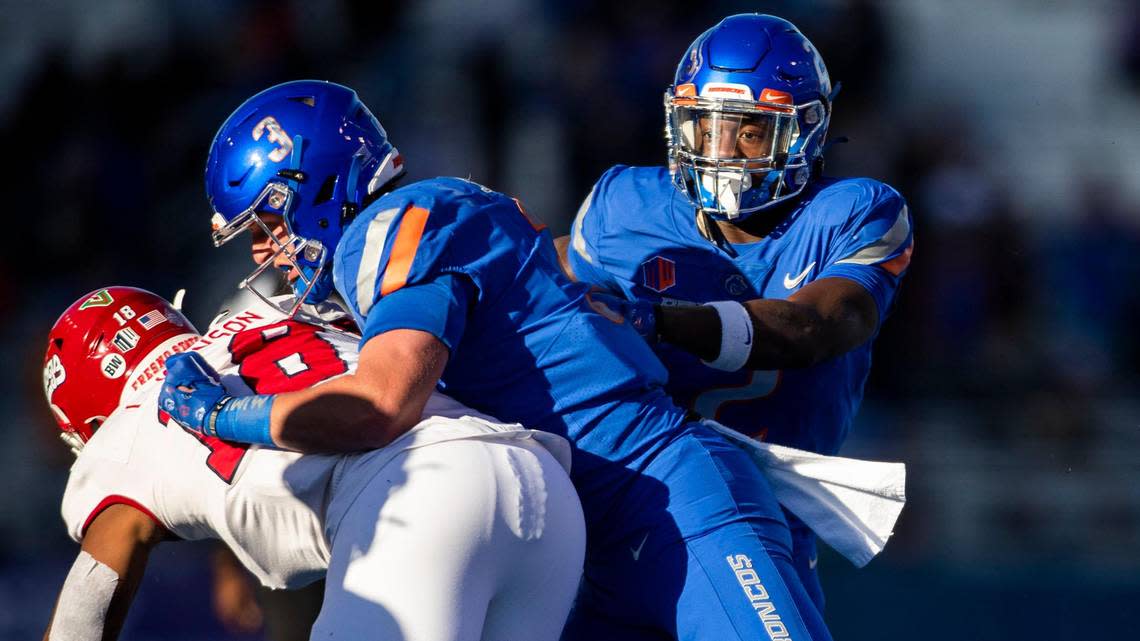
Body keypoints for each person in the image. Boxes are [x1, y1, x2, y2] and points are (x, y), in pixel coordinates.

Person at [162, 79, 842, 640]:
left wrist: (226, 414)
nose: (264, 251)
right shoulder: (395, 248)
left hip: (667, 501)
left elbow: (377, 405)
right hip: (596, 544)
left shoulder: (391, 230)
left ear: (307, 186)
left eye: (269, 224)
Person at [554, 13, 915, 608]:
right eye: (704, 128)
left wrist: (657, 319)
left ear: (806, 130)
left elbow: (812, 329)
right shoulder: (622, 205)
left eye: (748, 132)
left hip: (760, 519)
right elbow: (533, 293)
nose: (720, 151)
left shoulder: (855, 212)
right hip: (615, 505)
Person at [41, 286, 584, 641]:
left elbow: (86, 607)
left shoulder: (125, 429)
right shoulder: (271, 310)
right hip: (537, 478)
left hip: (421, 499)